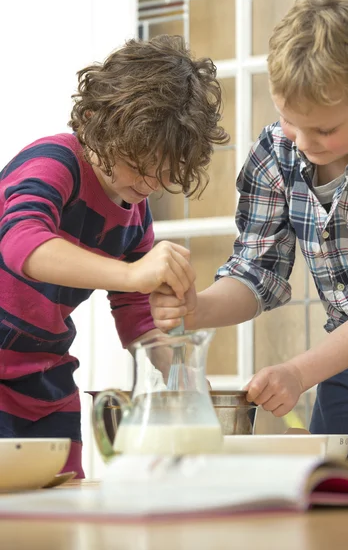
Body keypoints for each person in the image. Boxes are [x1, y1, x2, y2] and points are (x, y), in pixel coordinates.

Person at [150, 0, 348, 469]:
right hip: (347, 355)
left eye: (325, 128)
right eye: (289, 118)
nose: (304, 140)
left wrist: (296, 372)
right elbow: (255, 272)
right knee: (334, 498)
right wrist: (197, 309)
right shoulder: (275, 153)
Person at [0, 35, 229, 477]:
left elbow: (139, 320)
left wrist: (184, 380)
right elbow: (21, 242)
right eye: (140, 163)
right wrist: (135, 275)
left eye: (163, 172)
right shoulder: (54, 162)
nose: (150, 182)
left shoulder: (135, 214)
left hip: (44, 378)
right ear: (94, 121)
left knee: (59, 500)